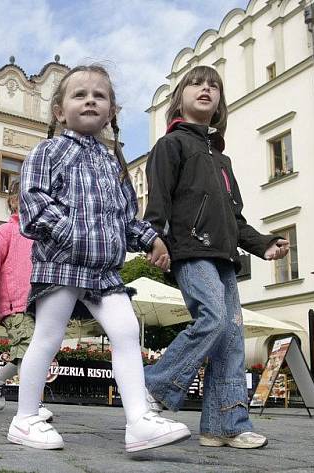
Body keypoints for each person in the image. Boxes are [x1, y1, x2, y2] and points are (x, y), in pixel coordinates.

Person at [11, 64, 190, 451]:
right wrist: (76, 233)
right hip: (62, 263)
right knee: (48, 337)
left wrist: (152, 240)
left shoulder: (113, 163)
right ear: (59, 111)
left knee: (126, 333)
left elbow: (126, 217)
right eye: (79, 94)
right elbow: (33, 204)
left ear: (112, 112)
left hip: (106, 270)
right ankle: (25, 418)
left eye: (100, 95)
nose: (90, 99)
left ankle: (138, 420)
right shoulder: (48, 150)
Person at [142, 65, 289, 450]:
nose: (206, 89)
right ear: (181, 97)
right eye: (197, 84)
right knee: (213, 319)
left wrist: (263, 243)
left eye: (214, 86)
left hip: (224, 257)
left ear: (220, 101)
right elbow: (158, 198)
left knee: (231, 338)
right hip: (190, 251)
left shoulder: (222, 161)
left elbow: (234, 217)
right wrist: (154, 238)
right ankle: (152, 386)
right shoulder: (170, 146)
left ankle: (224, 425)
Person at [0, 181, 52, 421]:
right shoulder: (5, 231)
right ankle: (34, 405)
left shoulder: (40, 234)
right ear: (13, 202)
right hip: (14, 303)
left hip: (37, 302)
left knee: (27, 352)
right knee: (29, 350)